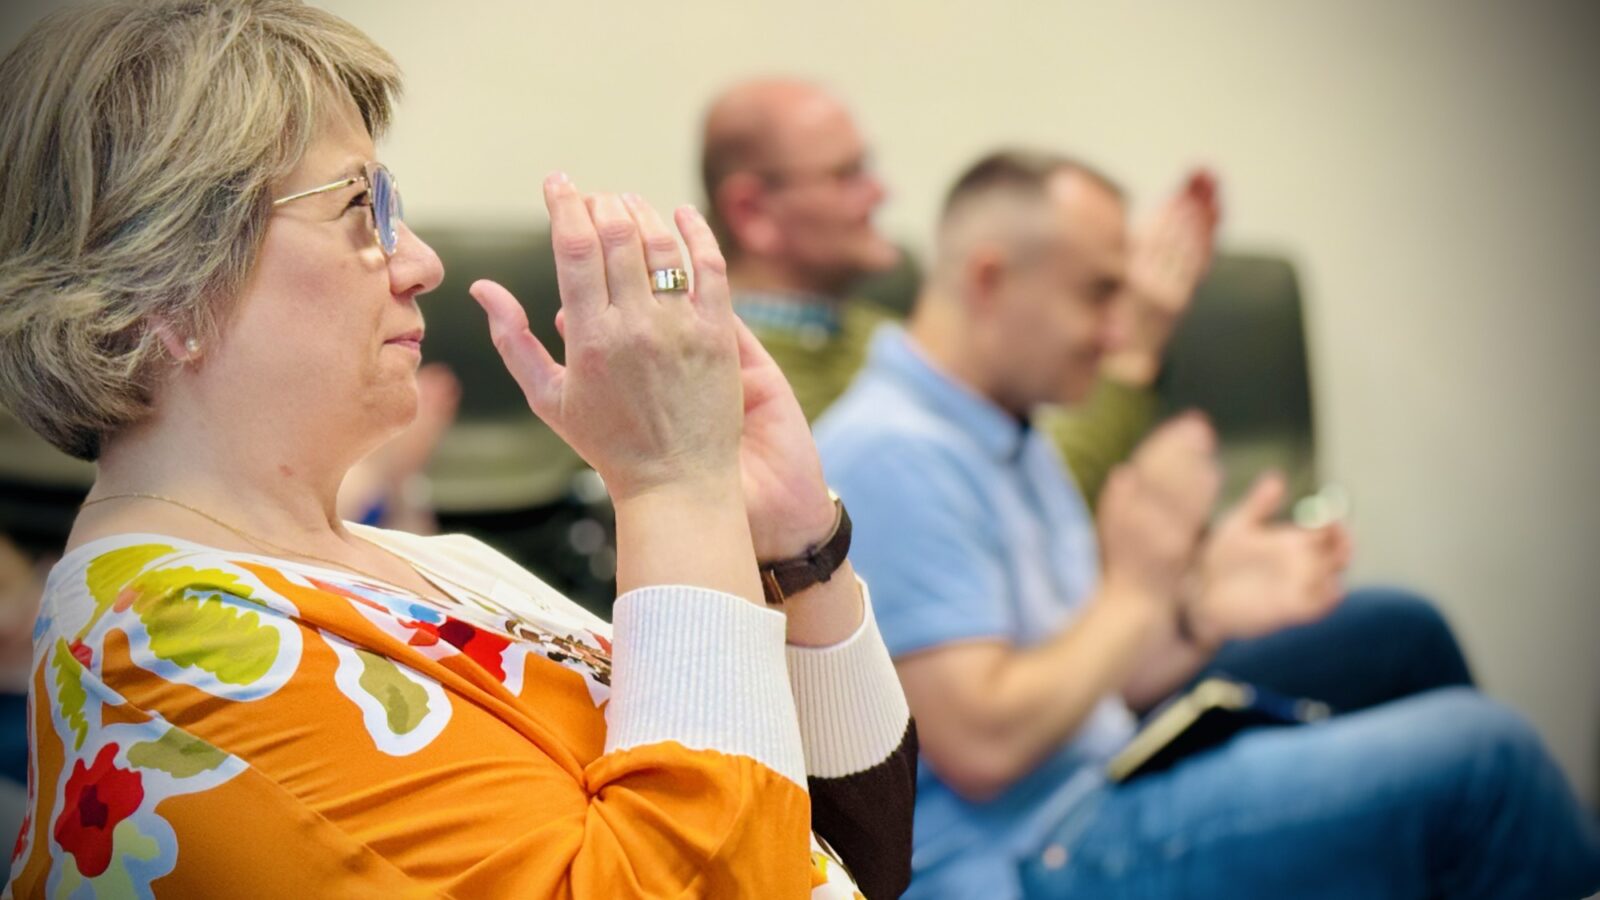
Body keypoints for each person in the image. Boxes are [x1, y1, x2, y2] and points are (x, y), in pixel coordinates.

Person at [0, 2, 914, 897]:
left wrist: (797, 549)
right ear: (165, 288)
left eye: (390, 204)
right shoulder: (160, 650)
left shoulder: (418, 564)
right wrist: (673, 483)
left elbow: (841, 854)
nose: (420, 262)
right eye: (358, 207)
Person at [815, 150, 1600, 898]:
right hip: (1029, 856)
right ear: (991, 279)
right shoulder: (894, 454)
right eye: (1098, 294)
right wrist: (1137, 590)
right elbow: (986, 746)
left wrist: (1196, 613)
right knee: (1488, 764)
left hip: (1090, 778)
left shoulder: (1001, 422)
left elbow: (1083, 677)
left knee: (1405, 631)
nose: (1118, 332)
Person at [699, 77, 1209, 506]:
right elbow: (1004, 511)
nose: (880, 193)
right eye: (847, 175)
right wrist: (1134, 351)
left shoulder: (879, 332)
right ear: (752, 213)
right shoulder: (726, 390)